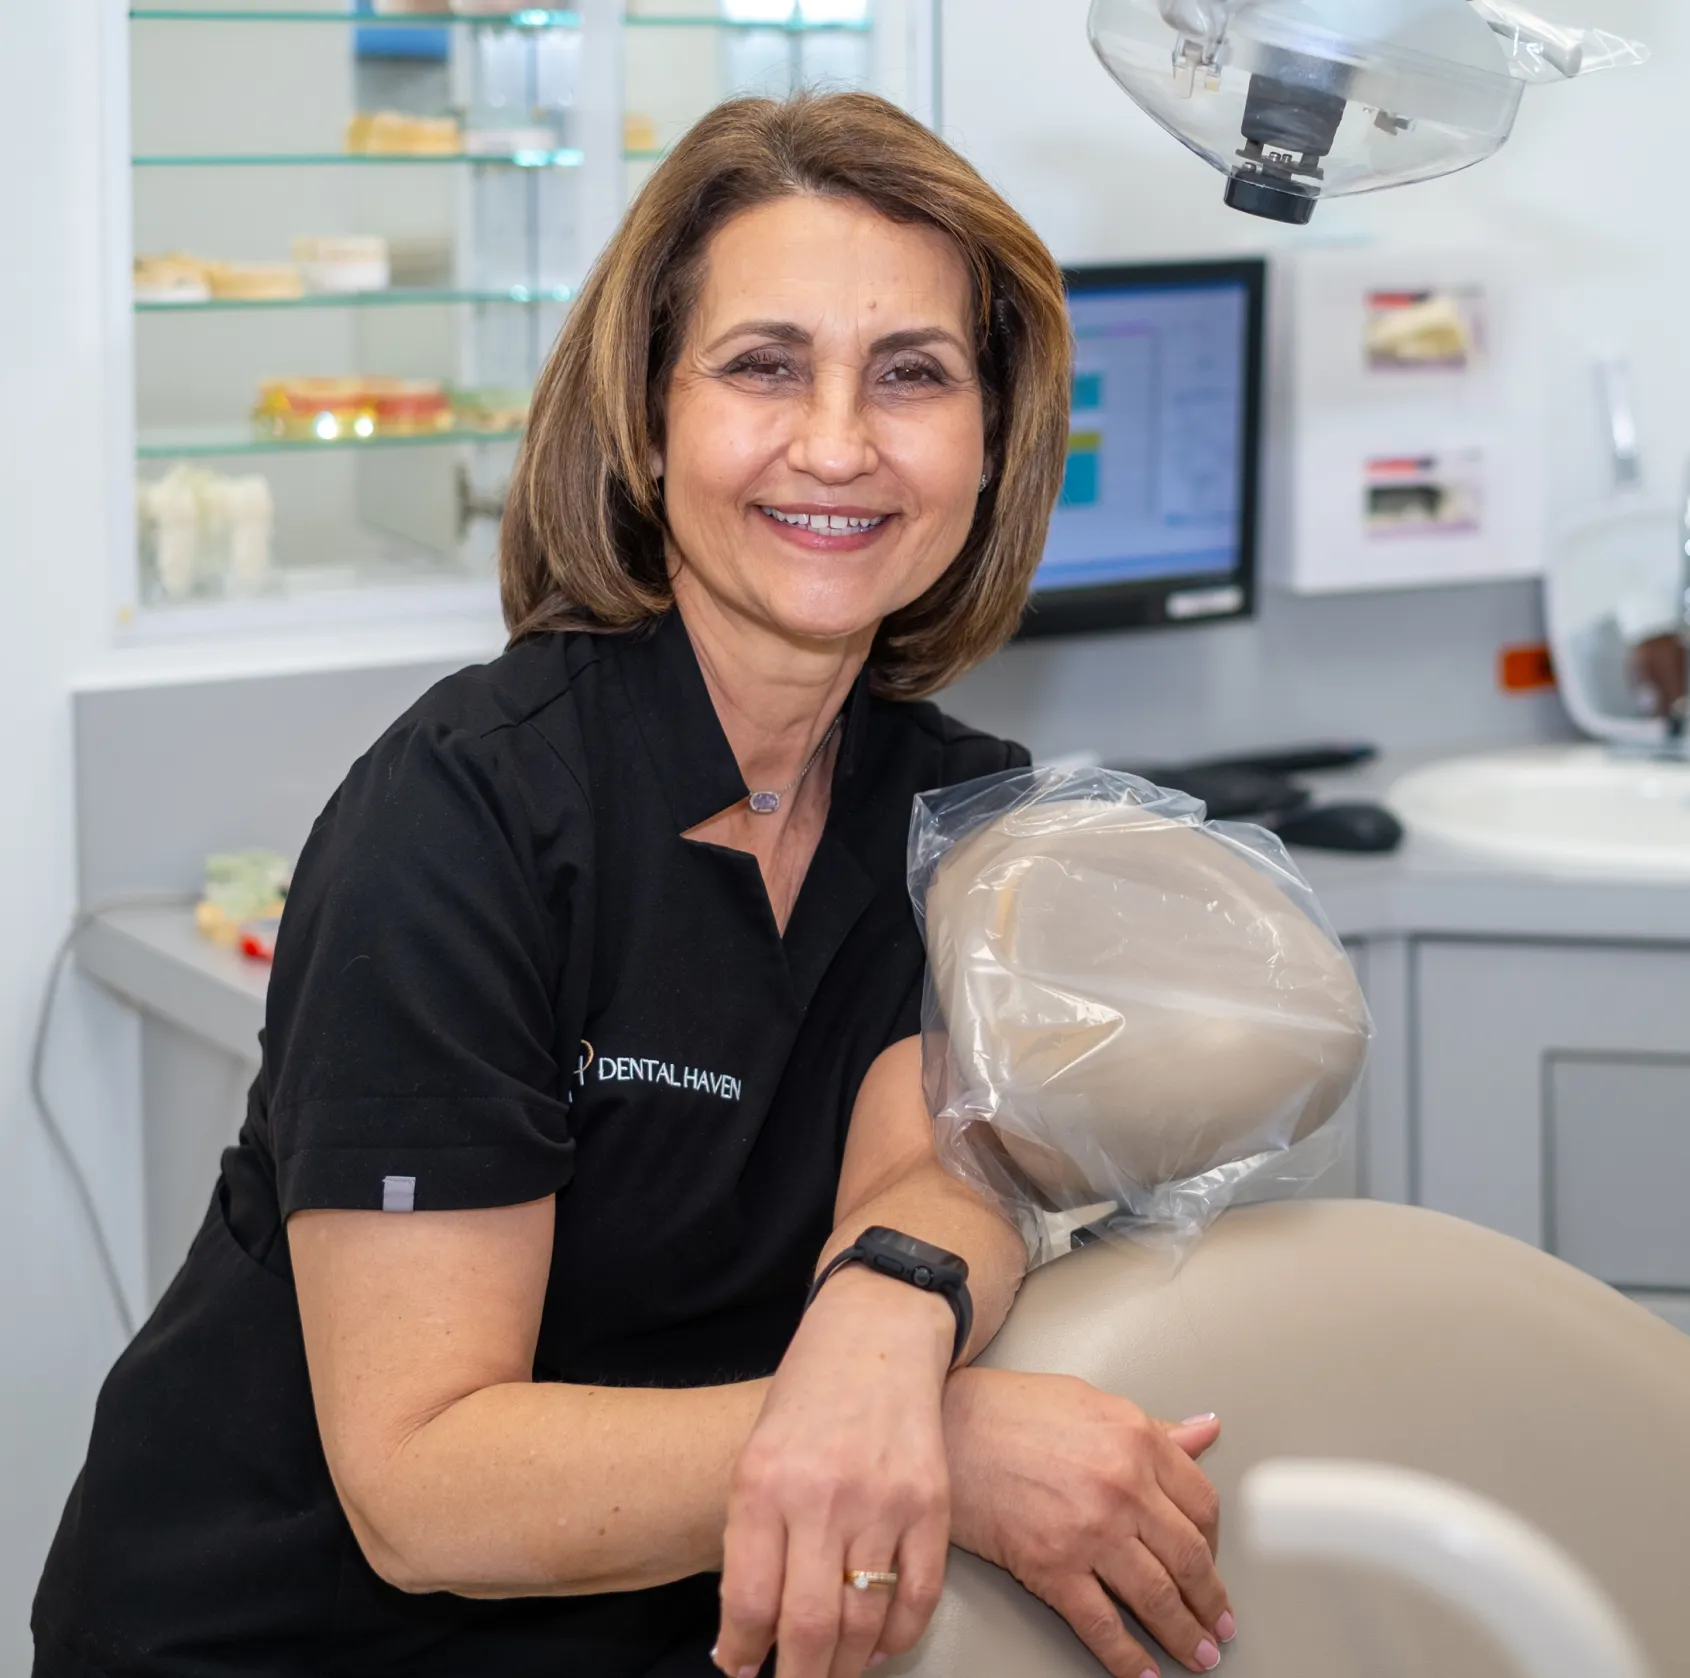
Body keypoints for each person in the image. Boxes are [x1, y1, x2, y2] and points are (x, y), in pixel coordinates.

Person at [34, 93, 1232, 1678]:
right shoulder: (464, 818)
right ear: (647, 416)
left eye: (911, 374)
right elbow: (422, 1487)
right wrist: (941, 1440)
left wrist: (894, 1303)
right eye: (761, 364)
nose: (836, 441)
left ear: (996, 438)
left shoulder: (949, 808)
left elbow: (933, 1154)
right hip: (283, 1640)